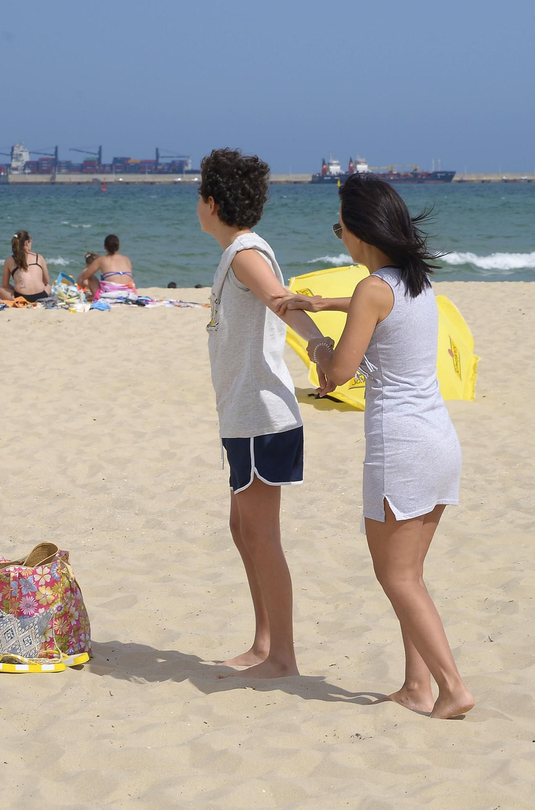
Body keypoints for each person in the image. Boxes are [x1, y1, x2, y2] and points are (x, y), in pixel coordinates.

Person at [279, 174, 474, 720]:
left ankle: (453, 687)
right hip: (439, 442)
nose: (339, 235)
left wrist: (315, 341)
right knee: (410, 577)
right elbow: (376, 303)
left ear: (361, 232)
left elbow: (340, 372)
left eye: (339, 227)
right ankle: (416, 687)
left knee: (397, 577)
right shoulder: (415, 280)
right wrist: (325, 301)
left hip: (401, 447)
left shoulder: (373, 290)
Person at [197, 147, 334, 681]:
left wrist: (318, 345)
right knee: (243, 529)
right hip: (242, 415)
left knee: (262, 536)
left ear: (211, 202)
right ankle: (263, 642)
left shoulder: (246, 253)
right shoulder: (238, 252)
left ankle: (282, 657)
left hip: (261, 416)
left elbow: (280, 299)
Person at [2, 230, 51, 303]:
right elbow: (46, 281)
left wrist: (17, 288)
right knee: (49, 286)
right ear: (27, 243)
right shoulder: (39, 257)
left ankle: (17, 295)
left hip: (21, 297)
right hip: (41, 296)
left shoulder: (9, 260)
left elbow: (5, 285)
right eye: (30, 241)